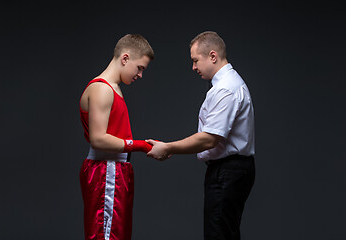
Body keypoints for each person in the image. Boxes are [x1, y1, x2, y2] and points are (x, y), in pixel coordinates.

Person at [147, 31, 255, 240]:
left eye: (196, 60)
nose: (193, 67)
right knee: (224, 233)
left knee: (218, 235)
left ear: (212, 56)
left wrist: (168, 147)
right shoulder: (225, 85)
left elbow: (209, 138)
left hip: (228, 171)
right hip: (230, 170)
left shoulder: (226, 89)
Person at [79, 34, 154, 240]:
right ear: (125, 58)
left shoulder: (114, 88)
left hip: (115, 170)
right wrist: (143, 146)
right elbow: (98, 139)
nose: (140, 75)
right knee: (106, 236)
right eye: (139, 68)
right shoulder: (102, 89)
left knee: (117, 235)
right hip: (106, 171)